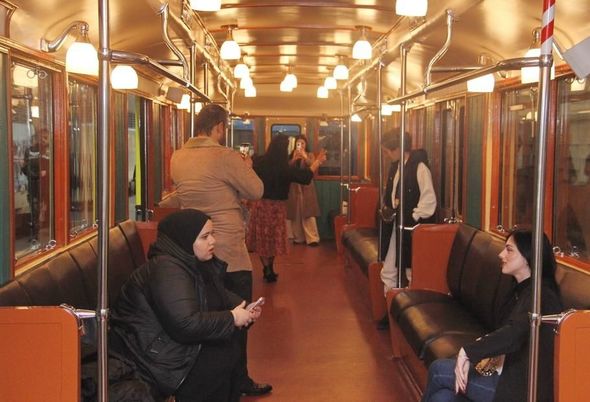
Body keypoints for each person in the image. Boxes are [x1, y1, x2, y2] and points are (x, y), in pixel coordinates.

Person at [170, 104, 270, 396]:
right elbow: (256, 190)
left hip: (193, 250)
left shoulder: (178, 156)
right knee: (240, 316)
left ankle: (210, 380)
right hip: (227, 249)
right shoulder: (224, 156)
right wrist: (246, 167)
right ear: (218, 127)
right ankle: (238, 381)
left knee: (207, 317)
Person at [109, 210, 263, 402]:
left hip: (171, 343)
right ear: (185, 239)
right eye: (205, 237)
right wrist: (232, 318)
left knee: (227, 352)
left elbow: (219, 298)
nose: (213, 241)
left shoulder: (195, 263)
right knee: (217, 361)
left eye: (212, 234)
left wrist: (244, 309)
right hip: (153, 355)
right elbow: (185, 324)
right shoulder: (167, 270)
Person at [421, 229, 563, 402]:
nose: (501, 254)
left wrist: (468, 352)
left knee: (438, 370)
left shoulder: (542, 295)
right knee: (442, 398)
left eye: (509, 250)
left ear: (528, 256)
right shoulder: (520, 290)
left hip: (521, 387)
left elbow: (514, 333)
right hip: (504, 371)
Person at [247, 134, 326, 282]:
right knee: (273, 240)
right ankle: (270, 267)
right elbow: (305, 177)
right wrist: (318, 161)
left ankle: (266, 267)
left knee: (263, 240)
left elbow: (248, 170)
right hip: (277, 208)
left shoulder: (260, 161)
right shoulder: (284, 168)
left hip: (261, 205)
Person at [380, 130, 436, 291]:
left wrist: (413, 216)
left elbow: (429, 201)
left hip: (411, 226)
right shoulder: (396, 166)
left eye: (387, 151)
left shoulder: (420, 168)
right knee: (389, 267)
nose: (386, 155)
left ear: (398, 148)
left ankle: (409, 299)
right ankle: (389, 300)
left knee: (411, 269)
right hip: (396, 223)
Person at [286, 135, 322, 246]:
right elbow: (287, 168)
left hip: (306, 187)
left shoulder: (309, 155)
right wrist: (294, 159)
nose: (300, 145)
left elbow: (312, 165)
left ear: (306, 144)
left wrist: (304, 156)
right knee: (295, 212)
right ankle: (298, 238)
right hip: (294, 187)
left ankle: (312, 238)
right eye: (298, 143)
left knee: (308, 213)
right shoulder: (291, 155)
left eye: (303, 143)